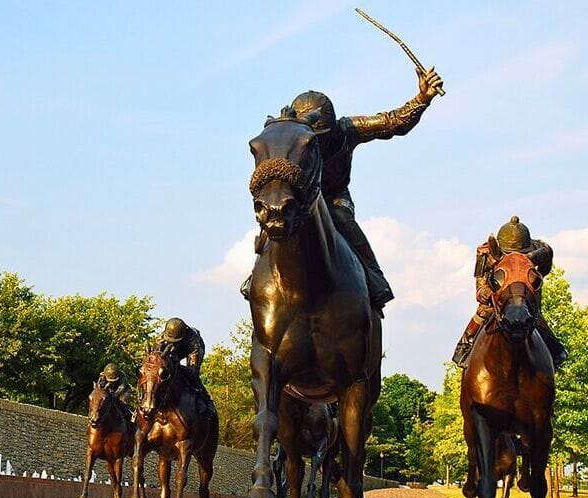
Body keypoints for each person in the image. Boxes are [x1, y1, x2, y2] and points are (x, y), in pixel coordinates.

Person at [243, 68, 445, 312]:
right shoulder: (291, 138)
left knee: (342, 219)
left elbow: (392, 122)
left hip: (335, 197)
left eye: (320, 136)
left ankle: (374, 276)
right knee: (277, 212)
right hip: (302, 195)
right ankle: (256, 275)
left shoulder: (347, 130)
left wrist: (423, 98)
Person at [452, 216, 568, 368]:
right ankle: (464, 346)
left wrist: (534, 281)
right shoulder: (485, 253)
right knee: (484, 310)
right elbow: (480, 289)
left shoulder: (540, 249)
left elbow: (545, 268)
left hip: (524, 291)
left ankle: (554, 350)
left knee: (534, 313)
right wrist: (492, 292)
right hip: (497, 292)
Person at [156, 317, 206, 387]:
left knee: (193, 375)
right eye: (170, 340)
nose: (172, 342)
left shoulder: (193, 342)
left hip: (190, 348)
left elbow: (193, 369)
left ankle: (200, 391)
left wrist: (179, 367)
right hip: (176, 349)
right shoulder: (161, 338)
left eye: (174, 341)